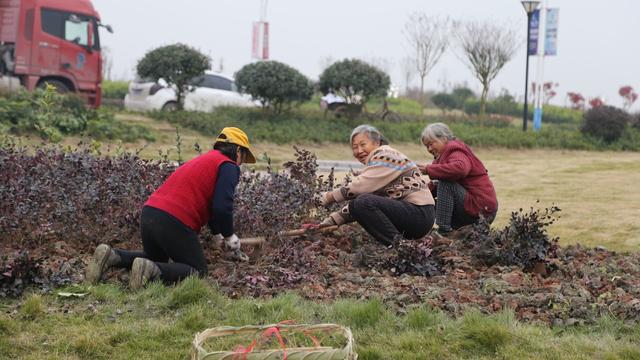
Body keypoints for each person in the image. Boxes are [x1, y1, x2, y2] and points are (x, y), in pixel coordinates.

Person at [85, 127, 256, 289]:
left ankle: (112, 255)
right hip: (175, 219)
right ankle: (149, 272)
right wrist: (229, 235)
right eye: (243, 156)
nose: (241, 163)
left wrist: (217, 234)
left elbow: (211, 205)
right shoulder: (228, 166)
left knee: (156, 259)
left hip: (150, 213)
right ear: (238, 150)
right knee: (198, 271)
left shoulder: (205, 160)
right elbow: (222, 206)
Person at [320, 125, 435, 246]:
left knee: (362, 202)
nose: (359, 150)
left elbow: (361, 187)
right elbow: (365, 199)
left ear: (377, 143)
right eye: (355, 147)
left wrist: (328, 197)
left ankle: (400, 248)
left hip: (419, 214)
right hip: (415, 215)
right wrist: (333, 220)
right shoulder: (378, 163)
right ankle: (401, 248)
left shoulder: (386, 155)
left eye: (363, 145)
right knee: (359, 203)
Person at [418, 123, 498, 234]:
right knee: (429, 204)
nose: (429, 149)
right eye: (427, 146)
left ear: (444, 139)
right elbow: (435, 184)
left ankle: (444, 231)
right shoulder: (442, 156)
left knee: (446, 184)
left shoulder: (455, 150)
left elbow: (461, 169)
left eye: (431, 144)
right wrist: (417, 196)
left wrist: (429, 170)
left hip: (481, 209)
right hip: (476, 208)